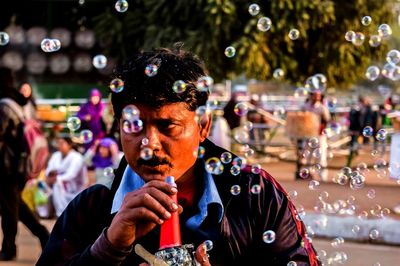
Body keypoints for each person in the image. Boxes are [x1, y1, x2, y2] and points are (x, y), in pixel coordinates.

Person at [38, 46, 319, 265]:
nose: (149, 144)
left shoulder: (255, 197)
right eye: (134, 126)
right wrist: (108, 247)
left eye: (166, 126)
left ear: (203, 126)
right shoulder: (91, 210)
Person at [0, 67, 49, 261]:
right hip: (18, 165)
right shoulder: (19, 102)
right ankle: (41, 234)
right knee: (13, 206)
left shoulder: (4, 105)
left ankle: (11, 248)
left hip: (7, 166)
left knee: (10, 208)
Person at [45, 137, 88, 217]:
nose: (59, 146)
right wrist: (50, 174)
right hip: (57, 183)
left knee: (57, 184)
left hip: (75, 187)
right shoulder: (56, 155)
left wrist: (56, 178)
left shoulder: (77, 157)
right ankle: (46, 213)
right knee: (39, 183)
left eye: (62, 143)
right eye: (58, 143)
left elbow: (71, 175)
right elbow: (48, 170)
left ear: (70, 145)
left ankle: (61, 214)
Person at [298, 90, 331, 181]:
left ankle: (322, 176)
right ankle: (307, 174)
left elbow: (327, 120)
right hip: (308, 135)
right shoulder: (305, 106)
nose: (317, 98)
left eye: (319, 96)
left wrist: (321, 128)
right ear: (311, 96)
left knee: (321, 156)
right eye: (315, 96)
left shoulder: (322, 107)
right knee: (307, 156)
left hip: (319, 135)